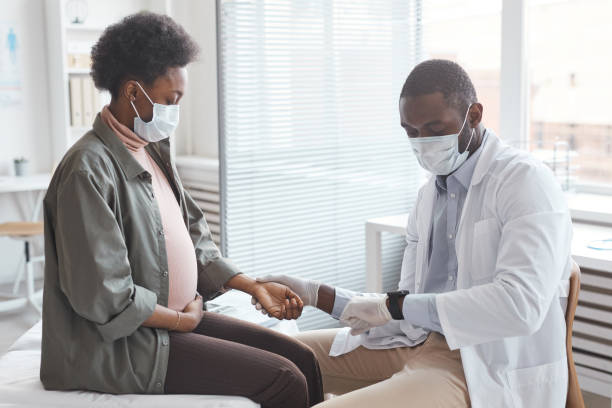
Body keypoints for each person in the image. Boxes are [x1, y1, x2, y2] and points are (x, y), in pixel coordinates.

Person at [40, 12, 323, 408]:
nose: (176, 111)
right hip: (125, 345)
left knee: (303, 360)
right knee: (284, 380)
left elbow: (195, 240)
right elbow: (105, 296)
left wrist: (252, 285)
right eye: (171, 100)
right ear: (133, 92)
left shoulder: (151, 151)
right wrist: (182, 321)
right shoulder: (87, 170)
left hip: (171, 320)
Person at [253, 59, 572, 407]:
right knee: (266, 361)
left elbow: (519, 306)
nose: (423, 143)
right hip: (415, 342)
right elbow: (403, 306)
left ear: (475, 114)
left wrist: (395, 306)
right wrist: (314, 293)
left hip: (480, 364)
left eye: (435, 130)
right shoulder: (428, 196)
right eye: (411, 132)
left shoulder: (524, 182)